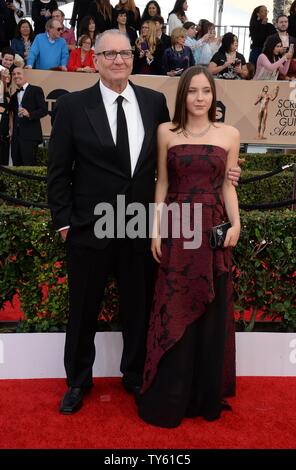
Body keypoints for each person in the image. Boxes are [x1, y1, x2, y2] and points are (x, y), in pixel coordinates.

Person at [47, 31, 241, 415]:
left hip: (139, 223)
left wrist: (226, 172)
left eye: (124, 53)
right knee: (83, 308)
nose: (118, 60)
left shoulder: (153, 104)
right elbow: (58, 171)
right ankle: (78, 381)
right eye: (109, 54)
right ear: (94, 59)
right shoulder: (72, 107)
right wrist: (65, 222)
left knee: (139, 307)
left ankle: (135, 375)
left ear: (132, 58)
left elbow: (176, 158)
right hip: (92, 225)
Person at [138, 66, 240, 428]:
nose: (200, 98)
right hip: (178, 229)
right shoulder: (166, 132)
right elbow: (162, 185)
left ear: (214, 96)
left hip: (213, 226)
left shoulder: (229, 134)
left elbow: (228, 186)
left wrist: (237, 223)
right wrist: (154, 231)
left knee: (211, 306)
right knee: (175, 304)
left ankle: (203, 393)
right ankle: (171, 394)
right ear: (182, 95)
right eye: (193, 91)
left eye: (206, 91)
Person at [9, 67, 47, 165]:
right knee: (16, 167)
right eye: (14, 74)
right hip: (16, 139)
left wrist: (29, 114)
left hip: (30, 137)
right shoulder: (13, 96)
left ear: (25, 75)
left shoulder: (36, 90)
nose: (16, 76)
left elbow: (44, 110)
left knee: (28, 166)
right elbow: (10, 115)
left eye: (18, 73)